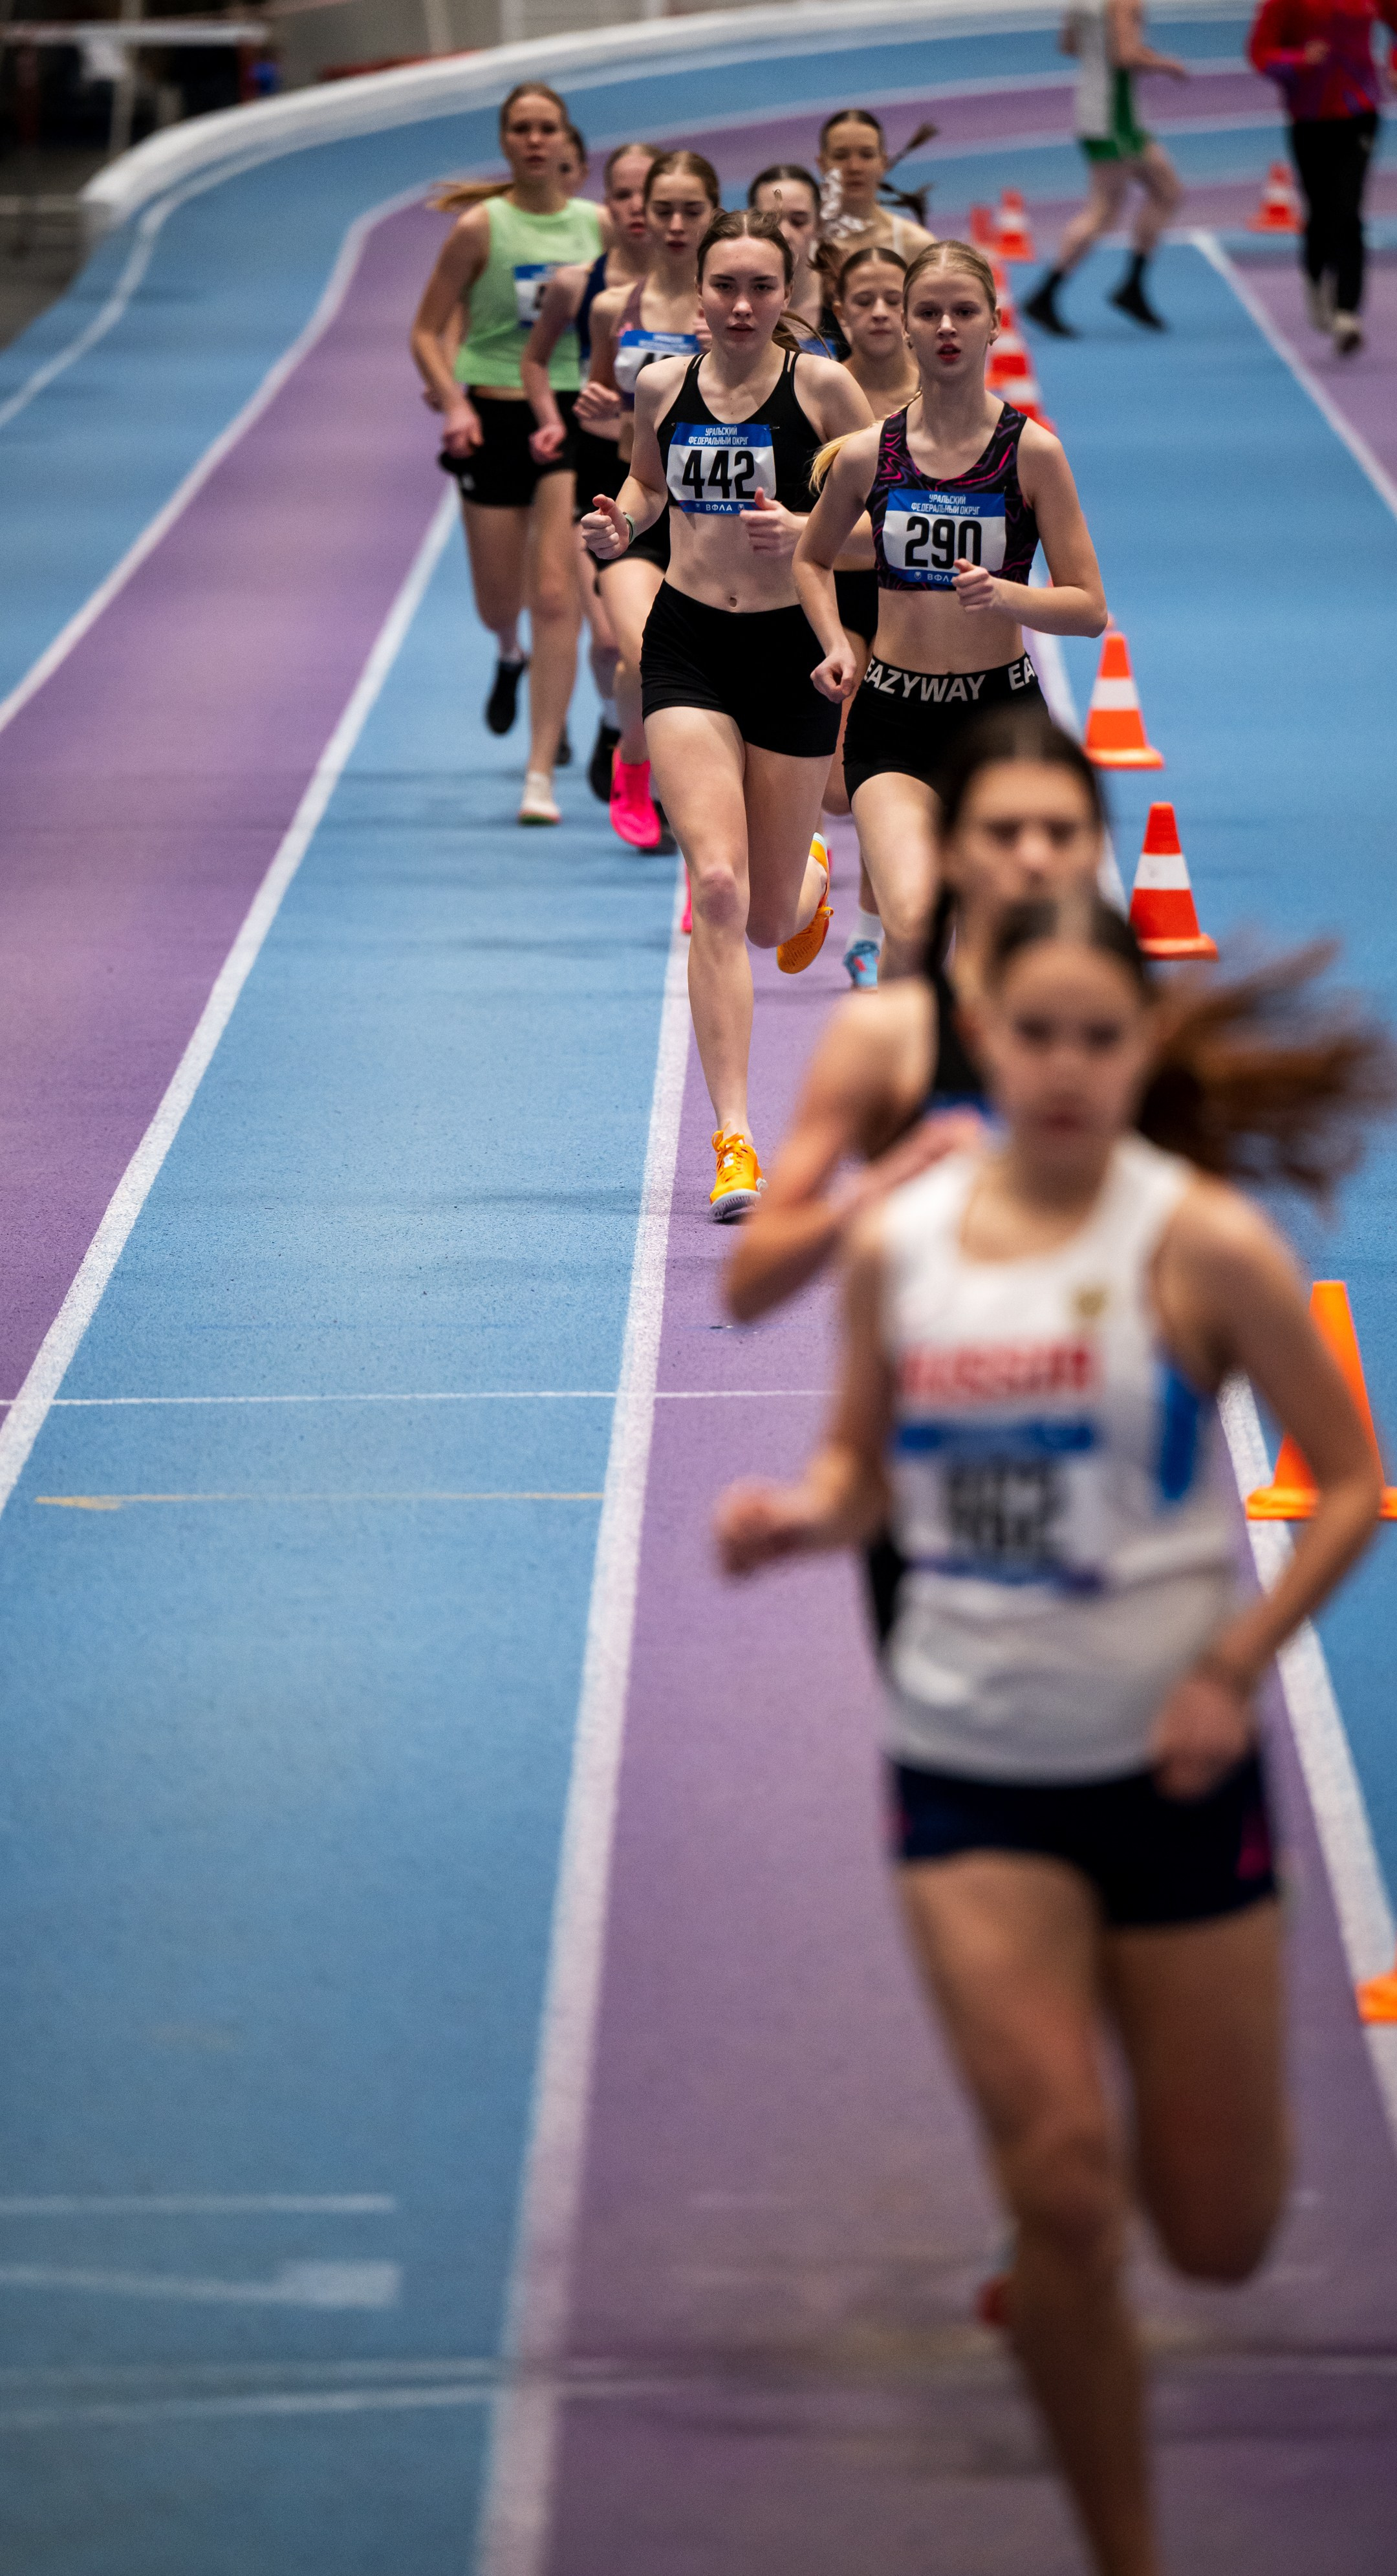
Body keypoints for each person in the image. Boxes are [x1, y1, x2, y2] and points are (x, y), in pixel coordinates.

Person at [716, 886, 1390, 2576]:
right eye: (1041, 1034)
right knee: (1068, 2188)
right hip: (970, 1768)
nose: (1073, 1065)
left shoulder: (1200, 1240)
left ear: (1145, 1044)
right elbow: (863, 1468)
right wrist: (799, 1518)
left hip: (1173, 1769)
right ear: (985, 1044)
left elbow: (1357, 1478)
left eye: (1107, 1034)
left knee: (1221, 2230)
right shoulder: (901, 1239)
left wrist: (1231, 1661)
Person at [581, 209, 872, 1220]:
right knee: (712, 885)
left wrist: (808, 529)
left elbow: (879, 513)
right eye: (725, 287)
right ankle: (737, 1139)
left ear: (790, 295)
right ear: (696, 293)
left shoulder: (825, 387)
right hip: (690, 644)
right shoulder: (660, 385)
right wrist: (620, 520)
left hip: (789, 653)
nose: (743, 305)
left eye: (762, 287)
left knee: (768, 914)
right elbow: (648, 488)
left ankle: (810, 888)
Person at [794, 240, 1107, 984]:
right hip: (893, 718)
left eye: (964, 311)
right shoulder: (869, 453)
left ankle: (975, 1080)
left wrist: (1008, 596)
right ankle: (913, 1085)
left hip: (1000, 718)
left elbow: (1089, 607)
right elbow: (811, 558)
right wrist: (835, 641)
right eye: (928, 311)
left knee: (996, 931)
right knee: (911, 918)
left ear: (994, 323)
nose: (946, 327)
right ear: (904, 325)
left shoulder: (1032, 453)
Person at [410, 82, 605, 825]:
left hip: (568, 418)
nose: (533, 140)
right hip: (493, 416)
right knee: (501, 598)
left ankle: (539, 770)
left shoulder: (600, 228)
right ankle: (507, 652)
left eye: (546, 128)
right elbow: (426, 333)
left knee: (556, 592)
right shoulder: (478, 229)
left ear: (564, 142)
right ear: (505, 141)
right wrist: (454, 401)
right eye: (520, 128)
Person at [581, 150, 720, 855]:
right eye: (661, 209)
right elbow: (605, 419)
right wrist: (598, 409)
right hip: (638, 505)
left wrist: (723, 352)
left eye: (690, 210)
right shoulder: (615, 306)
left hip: (713, 521)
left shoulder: (737, 310)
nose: (671, 223)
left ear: (714, 214)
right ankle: (635, 763)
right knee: (640, 650)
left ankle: (696, 803)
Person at [521, 141, 660, 799]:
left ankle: (654, 767)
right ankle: (616, 724)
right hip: (603, 479)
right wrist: (564, 414)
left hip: (686, 496)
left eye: (651, 197)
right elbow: (542, 365)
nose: (638, 209)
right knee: (609, 643)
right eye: (624, 195)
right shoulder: (586, 289)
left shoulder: (717, 299)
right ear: (607, 206)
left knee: (650, 651)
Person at [817, 244, 921, 990]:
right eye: (866, 300)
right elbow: (809, 531)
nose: (881, 312)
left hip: (918, 605)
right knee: (836, 791)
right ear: (842, 310)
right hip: (841, 593)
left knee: (894, 772)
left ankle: (870, 929)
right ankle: (812, 866)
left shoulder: (940, 392)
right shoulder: (822, 389)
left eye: (896, 298)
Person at [1024, 0, 1189, 335]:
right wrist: (1165, 63)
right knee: (1104, 209)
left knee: (1167, 191)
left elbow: (1068, 45)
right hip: (1115, 115)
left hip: (1097, 107)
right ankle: (1045, 294)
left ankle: (1133, 285)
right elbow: (1125, 56)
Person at [1248, 0, 1397, 355]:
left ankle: (1348, 312)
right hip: (1310, 116)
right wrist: (1298, 61)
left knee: (1348, 208)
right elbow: (1259, 53)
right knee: (1320, 211)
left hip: (1360, 111)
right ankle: (1315, 278)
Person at [816, 108, 938, 267]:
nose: (854, 167)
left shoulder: (917, 246)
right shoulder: (802, 243)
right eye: (841, 156)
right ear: (822, 164)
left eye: (866, 155)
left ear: (883, 163)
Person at [748, 164, 837, 352]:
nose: (784, 233)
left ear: (819, 224)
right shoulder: (732, 301)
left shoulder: (844, 301)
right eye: (770, 221)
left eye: (798, 221)